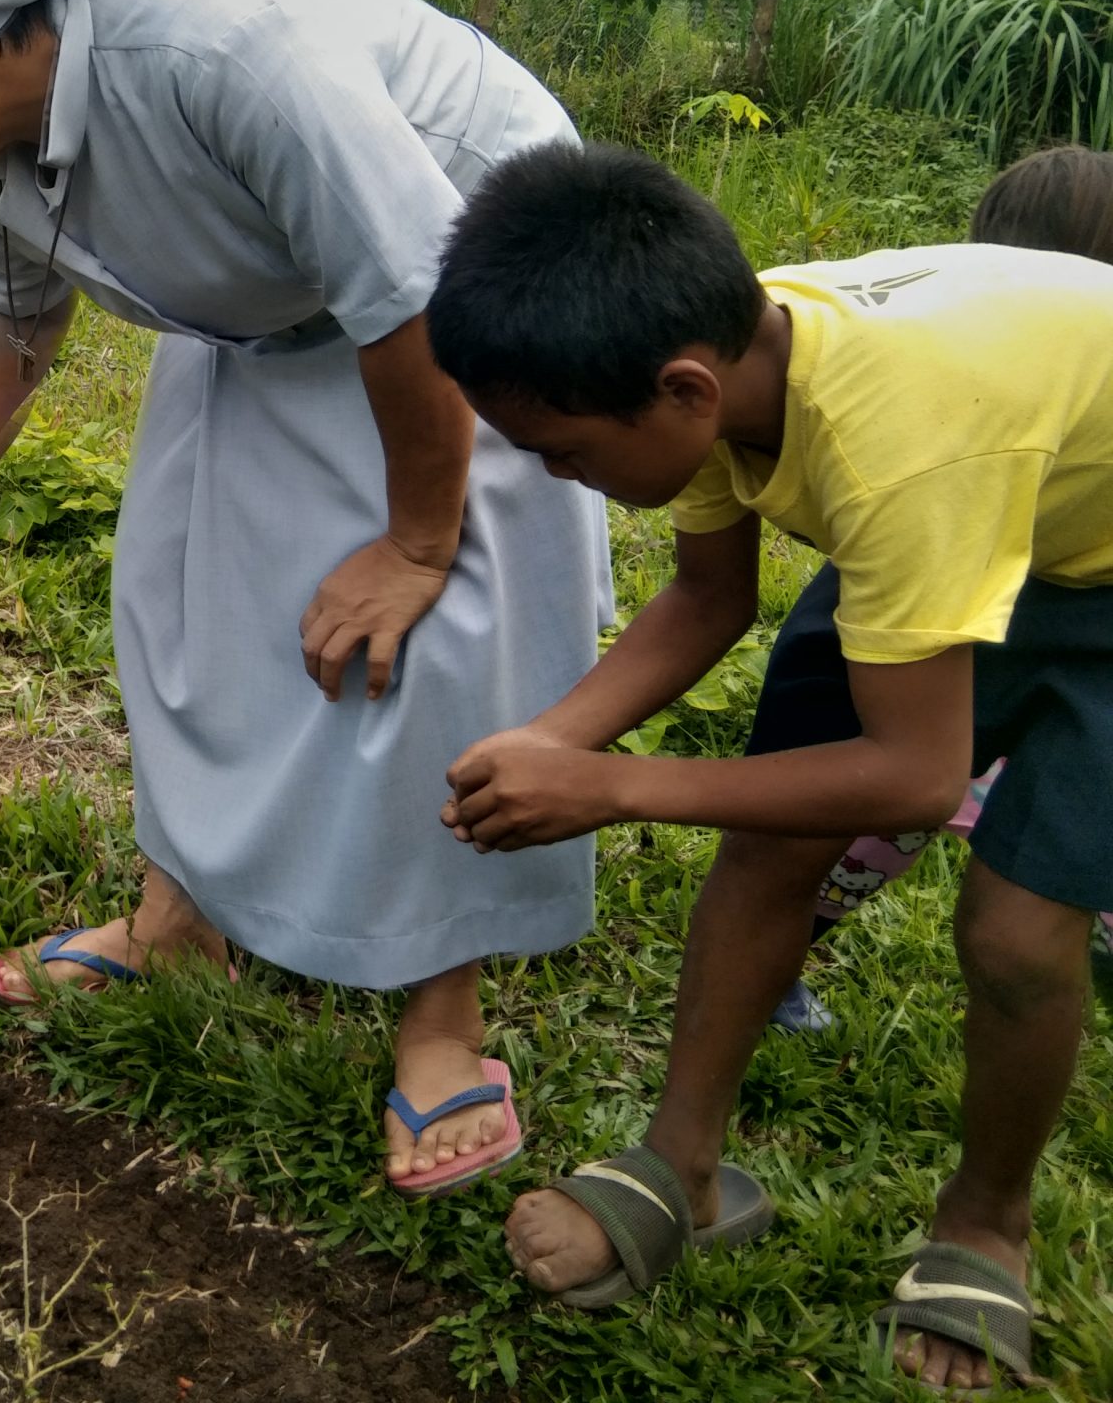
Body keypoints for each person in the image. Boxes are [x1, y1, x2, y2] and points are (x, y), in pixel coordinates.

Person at [0, 0, 612, 1194]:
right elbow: (17, 323)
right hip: (267, 312)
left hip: (477, 298)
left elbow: (408, 300)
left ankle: (446, 1012)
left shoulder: (228, 57)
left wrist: (421, 541)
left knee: (431, 643)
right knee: (180, 593)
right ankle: (178, 923)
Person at [426, 143, 1113, 1394]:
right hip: (980, 514)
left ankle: (985, 1220)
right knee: (771, 841)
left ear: (684, 390)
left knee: (1018, 935)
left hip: (1092, 576)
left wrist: (617, 786)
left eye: (565, 453)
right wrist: (554, 740)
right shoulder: (730, 360)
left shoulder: (896, 446)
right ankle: (680, 1165)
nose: (549, 473)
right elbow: (705, 598)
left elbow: (912, 779)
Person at [772, 144, 1113, 1032]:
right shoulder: (929, 432)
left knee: (900, 798)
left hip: (1060, 597)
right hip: (955, 577)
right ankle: (778, 945)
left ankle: (783, 944)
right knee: (891, 789)